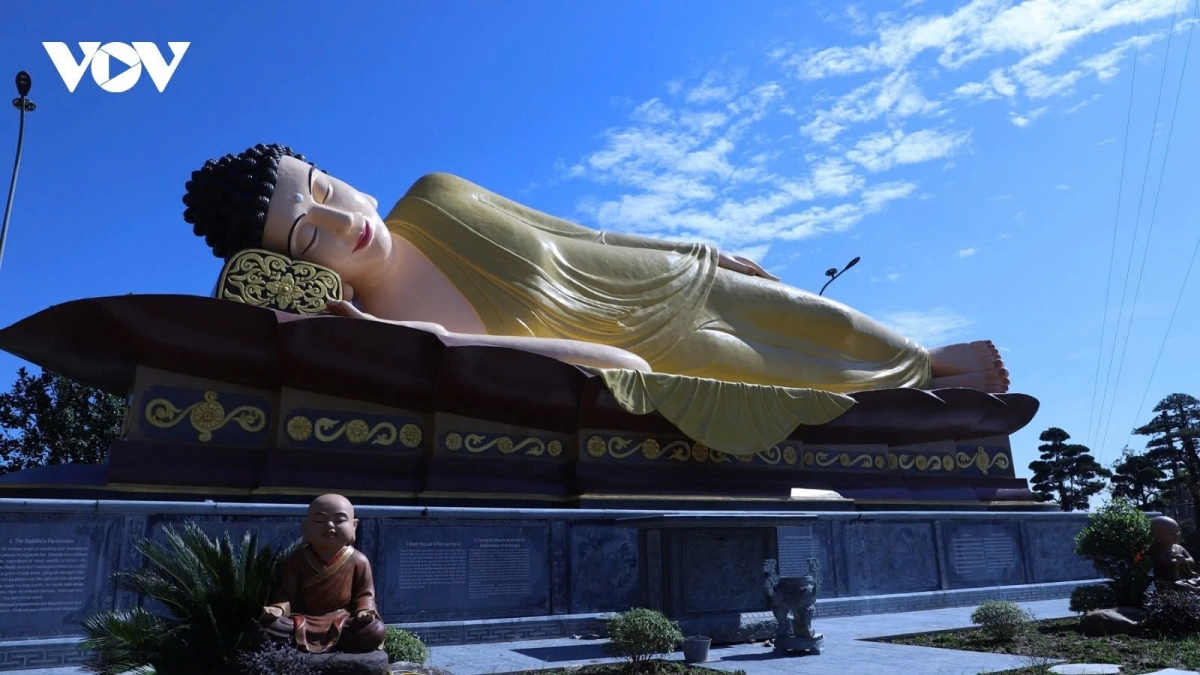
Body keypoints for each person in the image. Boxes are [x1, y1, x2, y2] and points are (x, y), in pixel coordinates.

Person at [183, 144, 1009, 394]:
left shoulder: (436, 195)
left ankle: (928, 358)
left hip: (666, 284)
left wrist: (696, 250)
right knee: (791, 377)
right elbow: (608, 367)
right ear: (291, 268)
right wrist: (417, 337)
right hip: (665, 353)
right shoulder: (397, 331)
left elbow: (577, 231)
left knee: (821, 318)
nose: (339, 222)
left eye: (324, 190)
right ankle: (927, 389)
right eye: (306, 236)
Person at [260, 493, 386, 653]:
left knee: (374, 629)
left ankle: (336, 640)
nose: (330, 526)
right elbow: (286, 595)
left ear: (354, 526)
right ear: (305, 528)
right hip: (303, 619)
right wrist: (279, 608)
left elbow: (365, 596)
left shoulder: (359, 560)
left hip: (341, 620)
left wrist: (364, 611)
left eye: (339, 520)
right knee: (268, 628)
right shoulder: (297, 558)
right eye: (320, 520)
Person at [1150, 515, 1200, 594]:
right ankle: (1195, 590)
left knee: (1197, 579)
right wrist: (1175, 562)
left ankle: (1194, 589)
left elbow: (1191, 560)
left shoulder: (1179, 548)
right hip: (1168, 579)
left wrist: (1184, 561)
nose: (1176, 534)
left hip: (1185, 577)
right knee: (1177, 585)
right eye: (1171, 532)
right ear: (1158, 536)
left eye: (1177, 531)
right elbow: (1164, 565)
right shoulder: (1157, 550)